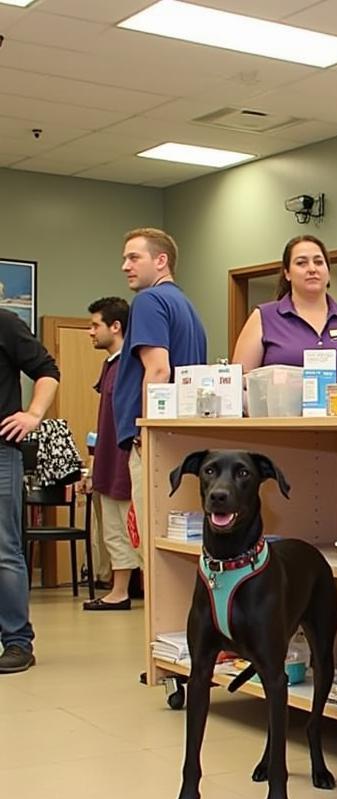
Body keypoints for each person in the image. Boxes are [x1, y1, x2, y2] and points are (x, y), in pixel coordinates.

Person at [113, 228, 206, 551]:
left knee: (152, 545)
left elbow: (158, 369)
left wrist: (146, 429)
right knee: (178, 541)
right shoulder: (186, 306)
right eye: (124, 258)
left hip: (156, 438)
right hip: (181, 436)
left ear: (161, 260)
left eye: (134, 257)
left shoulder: (149, 301)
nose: (125, 265)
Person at [232, 234, 337, 378]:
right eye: (301, 263)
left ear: (328, 272)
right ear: (287, 274)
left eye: (318, 262)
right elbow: (239, 386)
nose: (312, 269)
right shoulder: (263, 317)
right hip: (283, 405)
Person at [0, 309, 60, 673]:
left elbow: (47, 372)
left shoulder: (4, 323)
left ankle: (17, 642)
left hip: (1, 450)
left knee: (4, 549)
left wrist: (33, 414)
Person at [80, 297, 141, 612]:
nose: (90, 332)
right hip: (106, 459)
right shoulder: (109, 366)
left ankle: (135, 590)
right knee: (113, 531)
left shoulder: (131, 365)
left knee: (132, 528)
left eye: (95, 325)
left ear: (115, 327)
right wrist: (92, 468)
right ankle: (119, 591)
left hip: (124, 460)